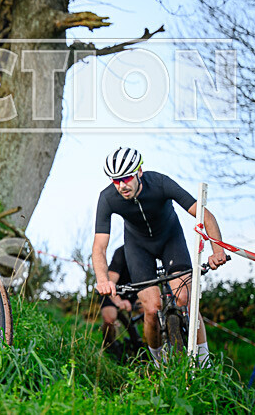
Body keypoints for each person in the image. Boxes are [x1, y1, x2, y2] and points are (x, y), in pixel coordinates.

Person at [92, 147, 228, 366]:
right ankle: (158, 363)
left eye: (126, 178)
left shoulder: (161, 183)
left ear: (139, 171)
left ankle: (204, 362)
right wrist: (102, 279)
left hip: (170, 240)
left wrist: (217, 250)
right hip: (138, 247)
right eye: (115, 180)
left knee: (185, 299)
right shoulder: (107, 198)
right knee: (152, 309)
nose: (121, 186)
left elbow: (204, 214)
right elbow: (99, 246)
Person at [98, 245, 139, 359]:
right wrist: (118, 301)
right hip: (112, 292)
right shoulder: (121, 252)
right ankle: (110, 346)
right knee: (110, 318)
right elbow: (111, 281)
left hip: (132, 294)